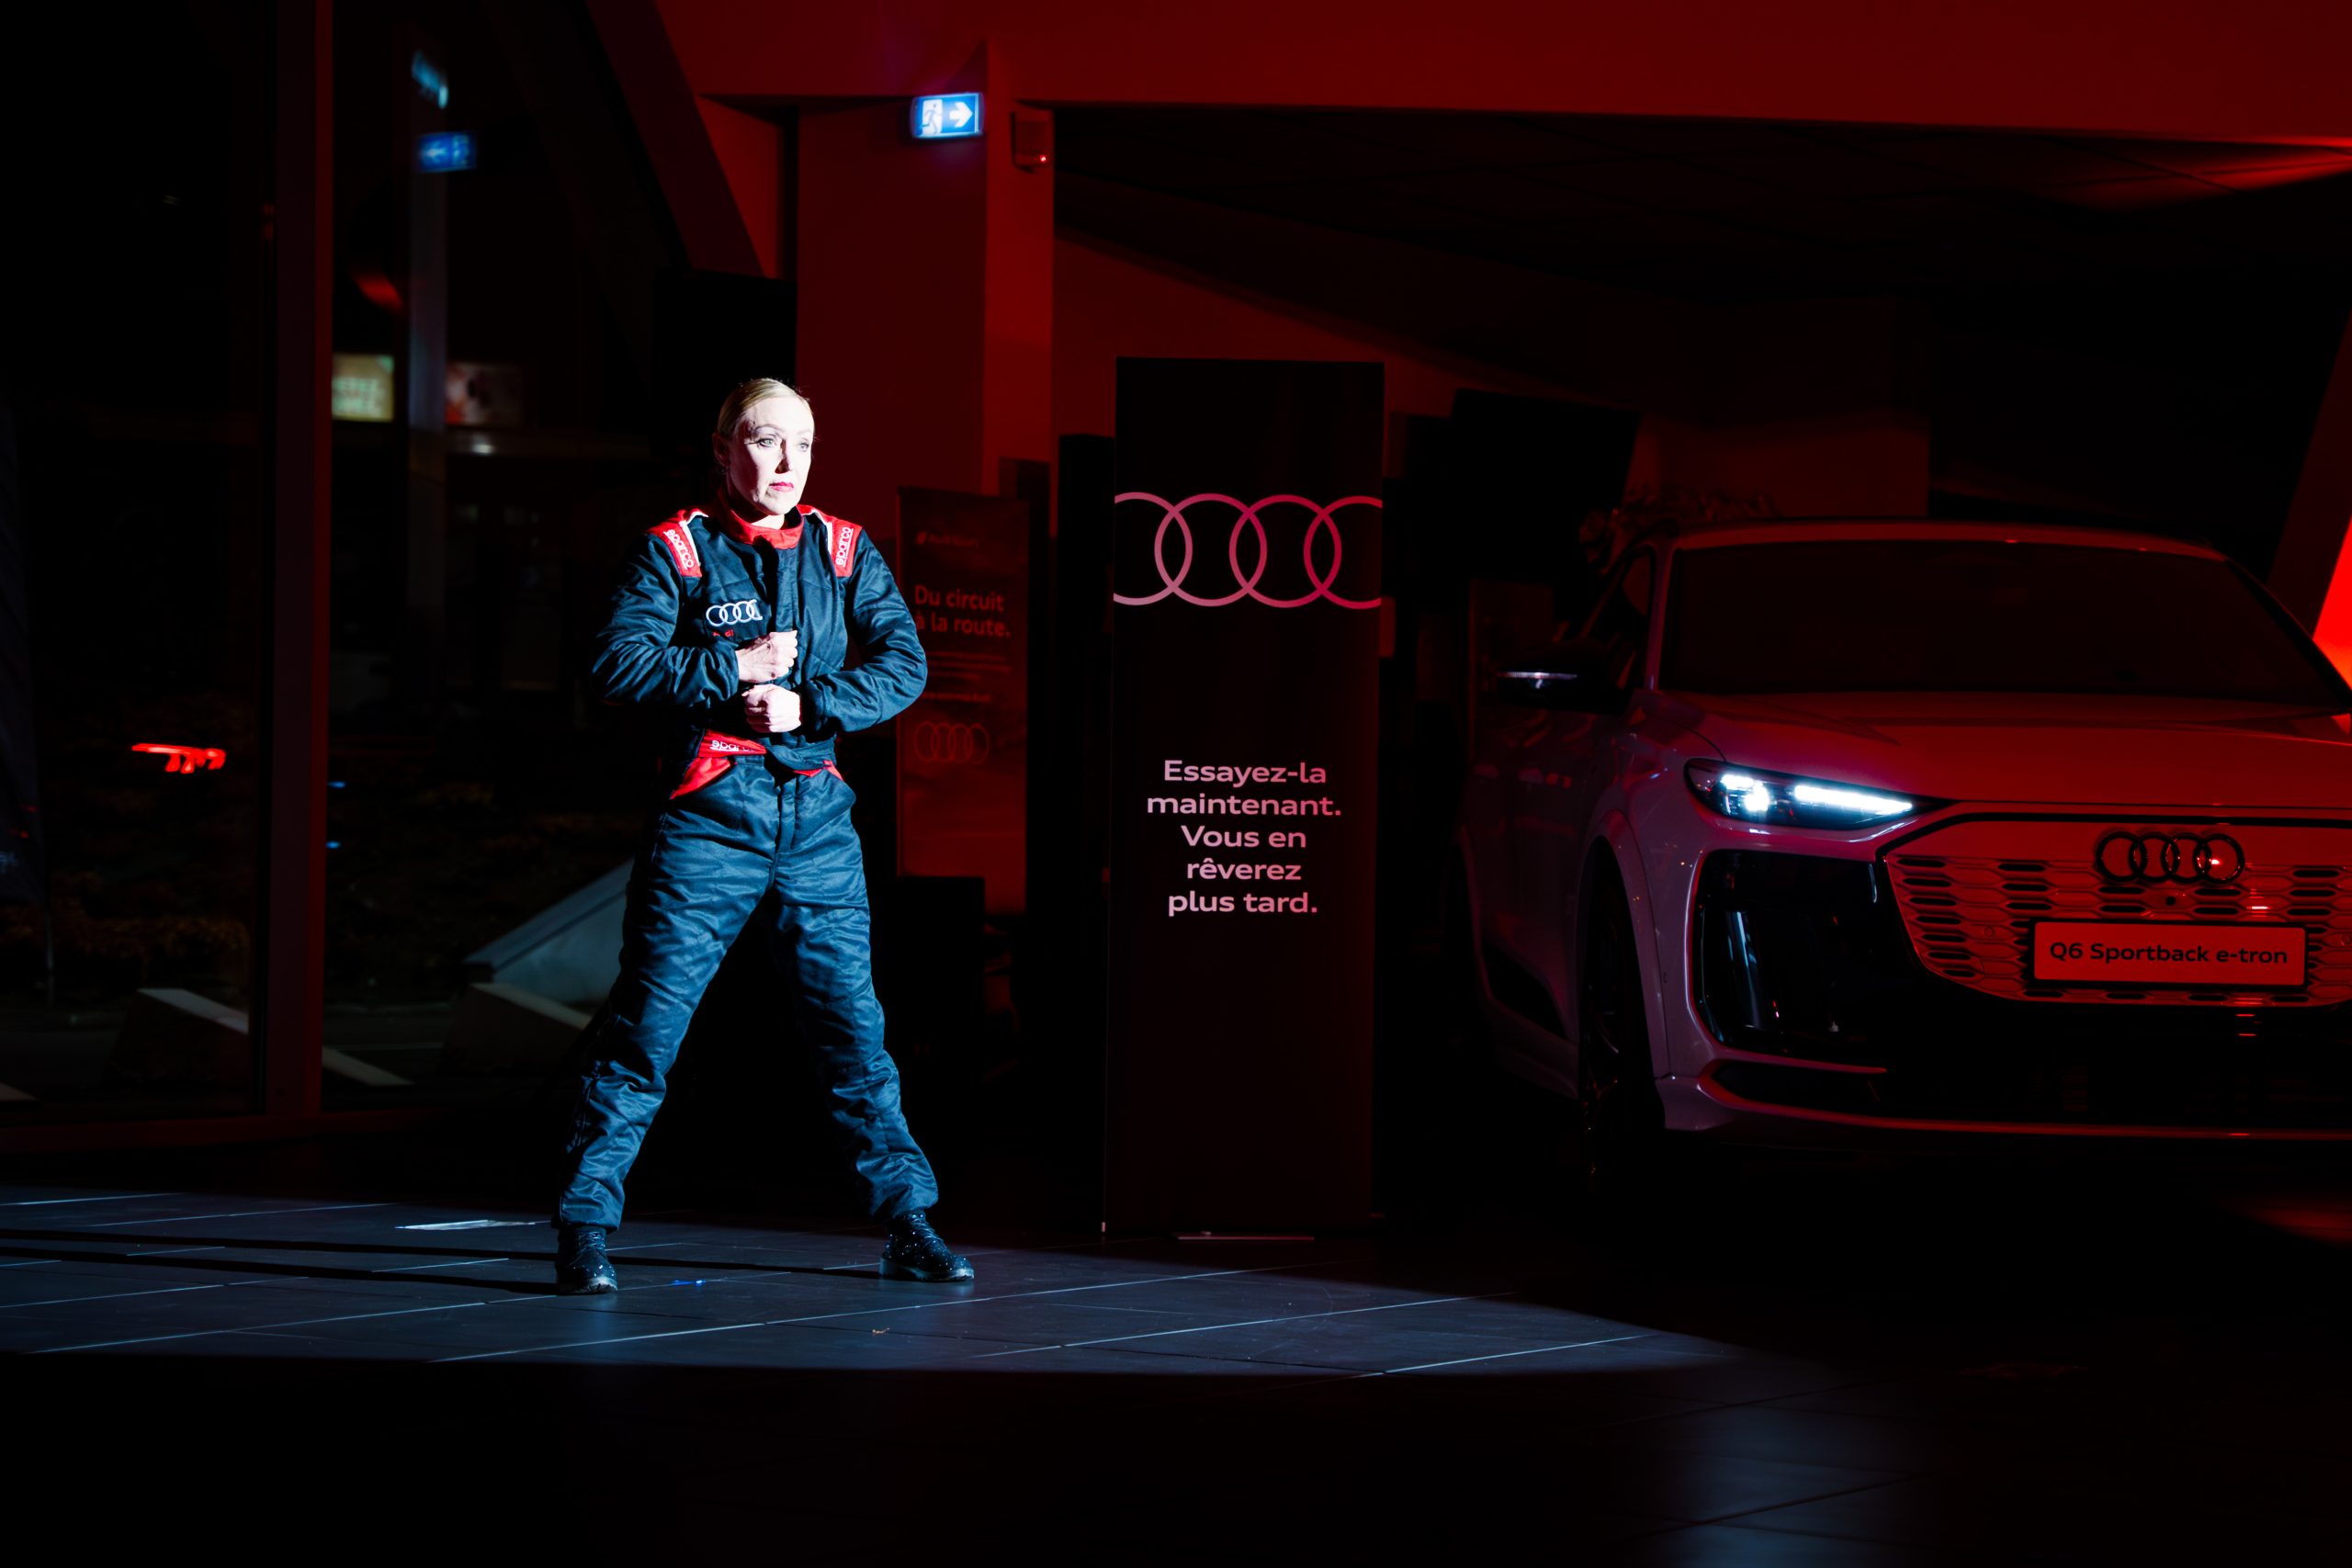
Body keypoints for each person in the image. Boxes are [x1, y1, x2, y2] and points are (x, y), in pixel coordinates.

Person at [550, 377, 970, 1293]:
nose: (786, 463)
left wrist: (808, 700)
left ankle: (908, 1224)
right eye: (766, 440)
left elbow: (904, 664)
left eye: (803, 446)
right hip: (709, 824)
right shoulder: (677, 551)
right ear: (722, 447)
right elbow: (617, 665)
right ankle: (583, 1227)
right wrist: (729, 668)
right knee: (646, 1032)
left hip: (817, 824)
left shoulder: (846, 549)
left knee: (854, 1032)